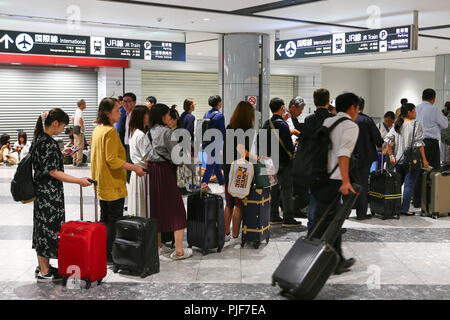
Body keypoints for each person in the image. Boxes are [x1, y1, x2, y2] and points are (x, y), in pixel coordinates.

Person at [31, 108, 92, 282]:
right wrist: (79, 180)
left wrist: (60, 154)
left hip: (44, 193)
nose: (64, 129)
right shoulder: (47, 142)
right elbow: (53, 172)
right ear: (56, 123)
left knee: (43, 229)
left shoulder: (40, 139)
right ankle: (44, 272)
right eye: (63, 125)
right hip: (49, 195)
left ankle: (45, 267)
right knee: (47, 231)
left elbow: (45, 164)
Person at [309, 92, 360, 275]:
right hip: (334, 180)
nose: (357, 112)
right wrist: (346, 181)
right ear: (352, 108)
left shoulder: (328, 122)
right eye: (357, 108)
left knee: (332, 219)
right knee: (323, 222)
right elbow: (343, 154)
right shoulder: (350, 126)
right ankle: (310, 260)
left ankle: (337, 259)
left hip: (320, 176)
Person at [91, 98, 146, 263]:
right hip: (112, 183)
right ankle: (110, 255)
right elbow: (112, 160)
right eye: (117, 110)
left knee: (104, 219)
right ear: (108, 113)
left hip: (101, 181)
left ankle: (101, 251)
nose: (120, 112)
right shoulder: (110, 132)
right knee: (114, 220)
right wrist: (135, 167)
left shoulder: (97, 130)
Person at [145, 104, 193, 260]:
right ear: (162, 116)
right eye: (167, 115)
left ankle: (159, 246)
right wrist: (194, 167)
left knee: (157, 207)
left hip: (151, 171)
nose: (169, 117)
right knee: (177, 209)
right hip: (165, 171)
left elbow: (146, 154)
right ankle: (179, 250)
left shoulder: (148, 132)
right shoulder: (166, 132)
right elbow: (177, 156)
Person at [385, 103, 429, 216]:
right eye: (414, 111)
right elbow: (420, 145)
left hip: (398, 160)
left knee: (397, 185)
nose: (415, 113)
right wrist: (424, 160)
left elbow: (388, 141)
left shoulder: (397, 124)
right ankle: (404, 209)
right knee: (409, 185)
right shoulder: (416, 125)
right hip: (412, 161)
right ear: (409, 112)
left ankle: (392, 206)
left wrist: (391, 156)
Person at [223, 101, 258, 242]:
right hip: (240, 169)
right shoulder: (248, 129)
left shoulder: (229, 127)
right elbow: (241, 149)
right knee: (239, 202)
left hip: (228, 167)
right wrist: (257, 158)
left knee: (229, 202)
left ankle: (225, 233)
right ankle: (236, 235)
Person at [264, 98, 301, 227]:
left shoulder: (266, 123)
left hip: (269, 162)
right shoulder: (283, 125)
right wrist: (294, 143)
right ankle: (288, 218)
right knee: (286, 189)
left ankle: (273, 216)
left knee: (273, 188)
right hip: (283, 162)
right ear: (281, 108)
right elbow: (288, 146)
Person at [303, 88, 335, 229]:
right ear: (328, 102)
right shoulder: (334, 120)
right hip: (331, 165)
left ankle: (312, 227)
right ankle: (329, 228)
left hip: (314, 166)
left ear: (314, 101)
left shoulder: (308, 120)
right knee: (332, 199)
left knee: (313, 198)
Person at [353, 97, 384, 220]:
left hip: (349, 157)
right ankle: (361, 213)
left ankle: (344, 213)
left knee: (349, 182)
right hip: (365, 158)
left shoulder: (348, 119)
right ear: (363, 107)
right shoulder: (367, 120)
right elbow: (377, 139)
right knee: (363, 184)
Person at [415, 89, 448, 170]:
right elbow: (445, 125)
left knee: (419, 169)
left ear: (422, 97)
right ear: (434, 98)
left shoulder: (415, 108)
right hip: (430, 143)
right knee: (433, 170)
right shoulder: (434, 109)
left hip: (417, 142)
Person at [128, 105, 150, 218]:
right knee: (141, 203)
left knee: (136, 202)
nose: (149, 116)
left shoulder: (133, 132)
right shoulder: (141, 135)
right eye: (147, 114)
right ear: (142, 116)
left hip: (136, 171)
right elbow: (146, 157)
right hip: (142, 171)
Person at [201, 95, 226, 191]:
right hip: (216, 144)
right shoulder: (220, 116)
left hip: (207, 143)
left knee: (217, 166)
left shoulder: (206, 114)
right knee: (211, 166)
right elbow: (222, 131)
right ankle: (203, 186)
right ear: (219, 103)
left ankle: (224, 185)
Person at [72, 99, 87, 167]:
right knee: (80, 145)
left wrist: (75, 124)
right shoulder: (80, 111)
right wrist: (82, 127)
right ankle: (79, 162)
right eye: (85, 104)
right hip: (79, 130)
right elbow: (80, 119)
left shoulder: (76, 110)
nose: (85, 105)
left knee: (75, 145)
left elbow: (72, 118)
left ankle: (74, 161)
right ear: (81, 105)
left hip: (75, 129)